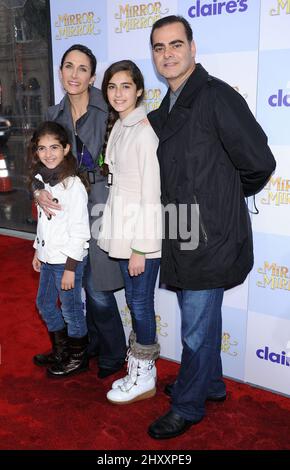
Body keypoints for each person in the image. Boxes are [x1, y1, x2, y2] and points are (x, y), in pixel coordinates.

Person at [146, 15, 276, 439]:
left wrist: (222, 202)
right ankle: (211, 384)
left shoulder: (216, 96)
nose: (168, 54)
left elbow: (259, 163)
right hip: (181, 230)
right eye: (159, 48)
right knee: (198, 320)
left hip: (211, 236)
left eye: (175, 45)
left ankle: (188, 405)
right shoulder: (167, 104)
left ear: (193, 48)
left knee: (196, 329)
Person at [31, 45, 127, 378]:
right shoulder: (53, 114)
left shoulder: (109, 106)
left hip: (101, 203)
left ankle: (115, 353)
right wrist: (37, 189)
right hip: (66, 205)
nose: (74, 74)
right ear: (60, 72)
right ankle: (86, 345)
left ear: (92, 76)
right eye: (68, 67)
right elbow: (41, 162)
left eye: (82, 68)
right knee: (71, 283)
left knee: (98, 285)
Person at [98, 60, 162, 404]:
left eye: (125, 86)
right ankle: (138, 369)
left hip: (140, 236)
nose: (118, 93)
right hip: (124, 229)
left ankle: (145, 374)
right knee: (135, 302)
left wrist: (140, 247)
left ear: (139, 90)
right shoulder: (122, 125)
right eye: (112, 87)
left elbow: (151, 193)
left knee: (139, 303)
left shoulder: (143, 130)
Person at [30, 121, 90, 378]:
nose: (48, 154)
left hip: (68, 261)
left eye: (54, 147)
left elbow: (79, 232)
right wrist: (36, 250)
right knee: (44, 302)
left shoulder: (73, 186)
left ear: (66, 148)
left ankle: (77, 357)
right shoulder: (42, 180)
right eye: (42, 148)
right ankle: (61, 349)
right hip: (48, 257)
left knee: (71, 309)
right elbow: (45, 223)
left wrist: (70, 270)